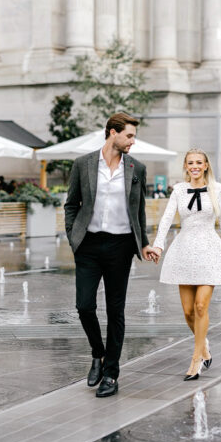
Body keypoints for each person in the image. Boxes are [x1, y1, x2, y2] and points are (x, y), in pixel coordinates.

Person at [64, 112, 155, 398]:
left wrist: (144, 243)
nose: (132, 141)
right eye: (129, 135)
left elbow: (139, 210)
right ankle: (98, 353)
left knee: (116, 311)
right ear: (112, 133)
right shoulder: (83, 164)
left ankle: (111, 374)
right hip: (88, 246)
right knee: (84, 306)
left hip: (120, 247)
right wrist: (73, 236)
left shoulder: (136, 168)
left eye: (133, 136)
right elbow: (71, 204)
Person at [146, 149, 221, 380]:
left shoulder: (217, 189)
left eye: (199, 162)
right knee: (189, 312)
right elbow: (167, 219)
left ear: (206, 165)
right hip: (184, 252)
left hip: (210, 251)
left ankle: (196, 359)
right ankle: (205, 347)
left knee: (201, 307)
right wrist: (158, 245)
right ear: (186, 166)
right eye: (191, 163)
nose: (195, 166)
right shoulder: (179, 190)